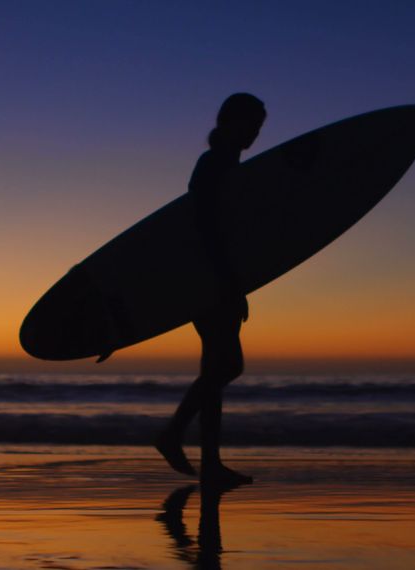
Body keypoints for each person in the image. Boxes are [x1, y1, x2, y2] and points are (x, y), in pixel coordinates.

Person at [155, 93, 265, 485]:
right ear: (228, 122)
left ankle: (210, 464)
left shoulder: (226, 165)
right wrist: (229, 284)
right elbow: (206, 230)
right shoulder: (215, 165)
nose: (255, 133)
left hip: (212, 278)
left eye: (259, 126)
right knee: (227, 366)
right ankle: (172, 434)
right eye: (250, 124)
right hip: (208, 280)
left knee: (216, 369)